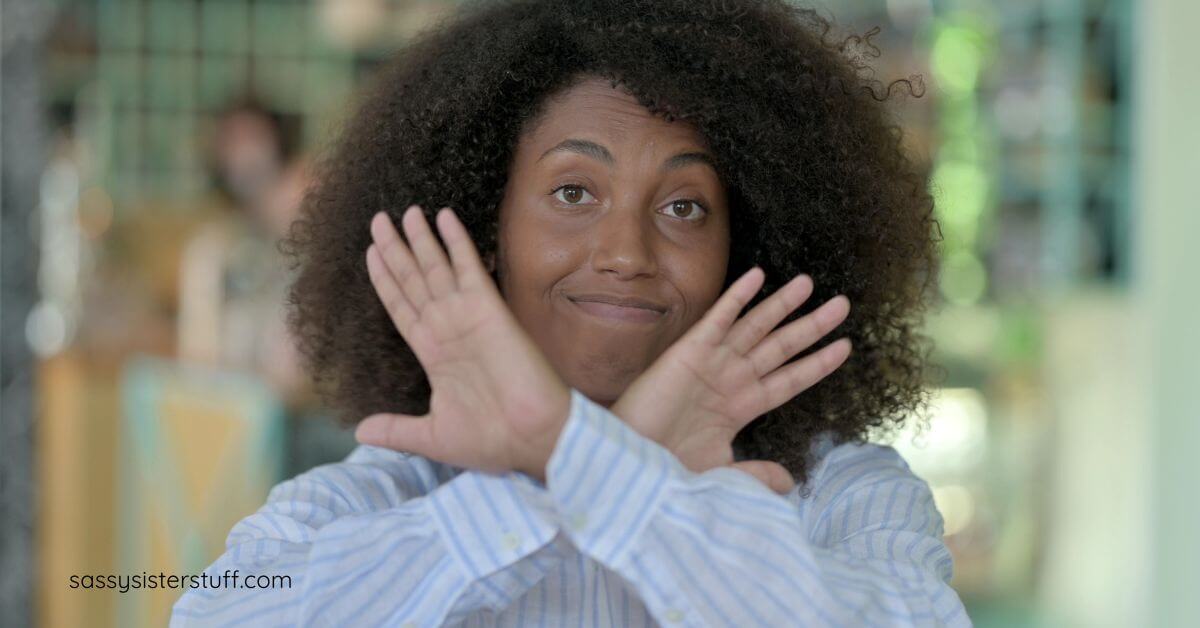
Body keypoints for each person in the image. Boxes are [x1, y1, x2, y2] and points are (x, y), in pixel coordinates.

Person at [171, 0, 968, 625]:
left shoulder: (838, 494)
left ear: (749, 248)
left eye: (686, 207)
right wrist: (595, 465)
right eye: (572, 192)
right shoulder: (385, 494)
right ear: (487, 233)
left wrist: (577, 454)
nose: (626, 251)